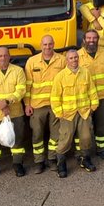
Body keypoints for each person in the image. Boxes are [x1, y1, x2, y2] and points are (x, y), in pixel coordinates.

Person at [50, 49, 99, 177]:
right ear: (66, 60)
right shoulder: (60, 76)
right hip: (68, 114)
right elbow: (55, 97)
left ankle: (85, 160)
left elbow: (92, 90)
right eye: (71, 58)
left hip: (84, 112)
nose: (74, 60)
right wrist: (59, 113)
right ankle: (61, 164)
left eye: (76, 57)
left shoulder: (85, 72)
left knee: (86, 137)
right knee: (65, 139)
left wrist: (93, 106)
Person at [0, 46, 28, 178]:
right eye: (0, 56)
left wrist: (7, 102)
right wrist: (1, 106)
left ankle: (18, 164)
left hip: (15, 112)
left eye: (5, 55)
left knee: (18, 140)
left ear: (9, 56)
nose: (3, 58)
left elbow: (21, 90)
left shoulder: (18, 71)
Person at [25, 35, 67, 173]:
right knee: (37, 134)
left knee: (55, 134)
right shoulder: (32, 61)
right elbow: (27, 86)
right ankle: (39, 161)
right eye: (45, 44)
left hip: (56, 104)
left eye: (50, 44)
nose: (47, 47)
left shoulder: (61, 60)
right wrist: (27, 104)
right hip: (37, 105)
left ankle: (52, 159)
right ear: (41, 45)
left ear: (53, 44)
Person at [77, 30, 104, 159]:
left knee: (102, 125)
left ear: (98, 39)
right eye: (88, 38)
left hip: (102, 96)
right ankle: (83, 152)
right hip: (85, 99)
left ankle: (101, 148)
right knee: (85, 127)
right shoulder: (77, 56)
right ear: (84, 40)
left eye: (94, 38)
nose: (91, 40)